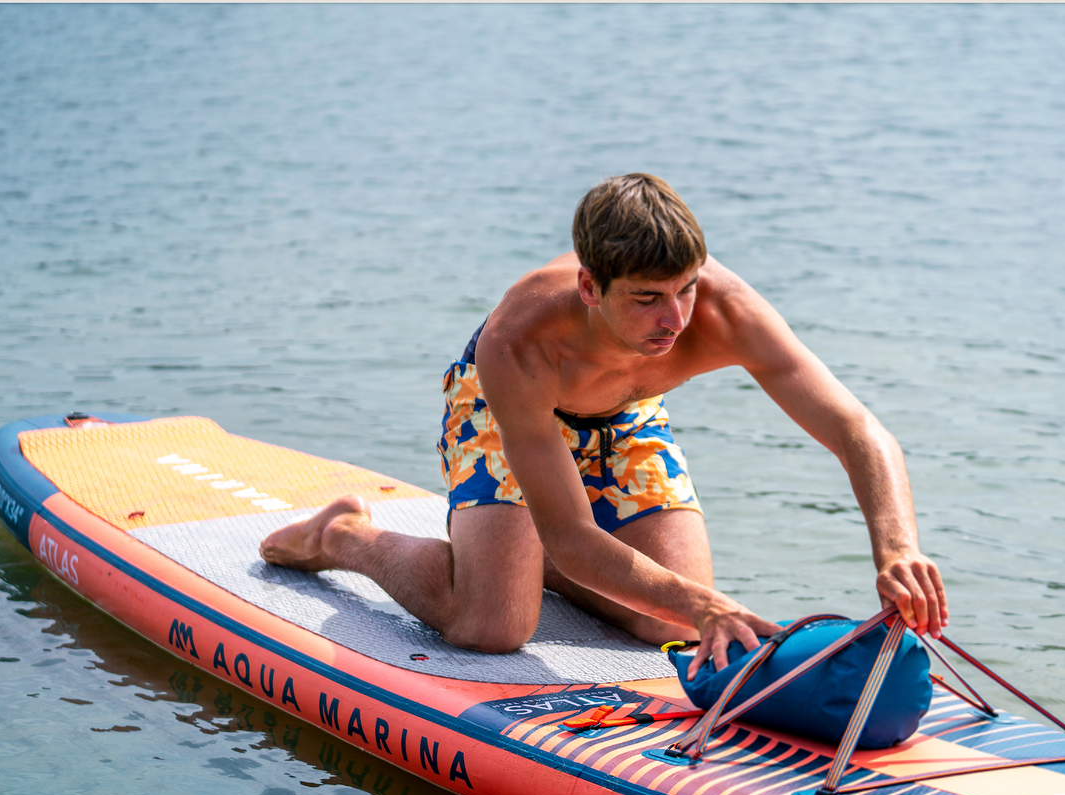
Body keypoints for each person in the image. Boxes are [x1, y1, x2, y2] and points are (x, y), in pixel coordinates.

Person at [260, 173, 948, 674]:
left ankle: (530, 561)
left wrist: (896, 549)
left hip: (625, 412)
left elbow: (858, 429)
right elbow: (571, 531)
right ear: (590, 288)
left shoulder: (723, 311)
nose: (674, 321)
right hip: (510, 409)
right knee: (493, 623)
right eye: (647, 300)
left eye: (685, 291)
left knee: (660, 617)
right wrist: (704, 603)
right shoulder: (520, 342)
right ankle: (344, 536)